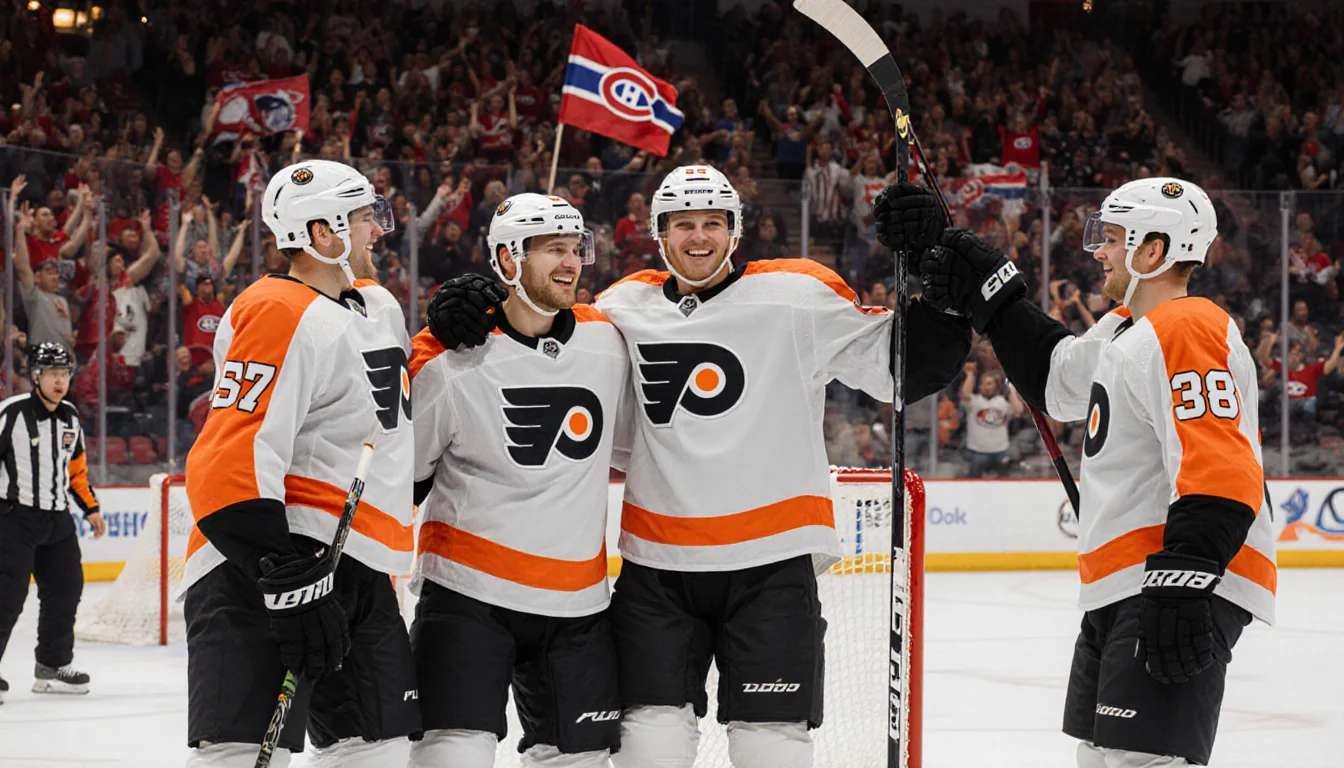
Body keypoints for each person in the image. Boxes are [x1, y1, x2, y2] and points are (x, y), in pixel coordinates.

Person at [426, 166, 970, 767]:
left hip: (772, 564)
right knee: (648, 745)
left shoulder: (798, 294)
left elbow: (907, 368)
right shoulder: (620, 309)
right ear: (658, 234)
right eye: (683, 224)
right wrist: (471, 299)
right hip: (659, 572)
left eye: (714, 222)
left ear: (736, 231)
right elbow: (539, 336)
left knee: (772, 745)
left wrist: (934, 265)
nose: (699, 237)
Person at [890, 177, 1276, 767]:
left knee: (1138, 759)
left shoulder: (1188, 326)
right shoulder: (1125, 332)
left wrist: (1184, 580)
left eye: (1114, 239)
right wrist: (988, 291)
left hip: (1171, 576)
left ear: (1154, 251)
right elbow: (1056, 379)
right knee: (1100, 757)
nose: (1099, 251)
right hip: (1124, 581)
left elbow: (1221, 467)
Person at [181, 160, 420, 767]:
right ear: (322, 233)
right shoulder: (277, 309)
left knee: (380, 750)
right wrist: (283, 576)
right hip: (264, 570)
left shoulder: (379, 307)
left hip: (358, 569)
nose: (378, 231)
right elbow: (230, 454)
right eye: (366, 218)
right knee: (241, 755)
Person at [407, 194, 630, 768]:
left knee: (581, 760)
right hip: (467, 596)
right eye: (552, 248)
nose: (571, 262)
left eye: (576, 247)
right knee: (451, 756)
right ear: (507, 260)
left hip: (577, 605)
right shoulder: (447, 356)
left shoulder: (609, 338)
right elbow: (401, 476)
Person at [0, 343, 105, 703]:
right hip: (14, 517)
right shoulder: (11, 413)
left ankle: (52, 665)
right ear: (35, 376)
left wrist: (91, 508)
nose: (60, 381)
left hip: (57, 519)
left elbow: (76, 470)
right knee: (7, 596)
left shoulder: (71, 416)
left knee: (66, 589)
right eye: (52, 374)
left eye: (64, 374)